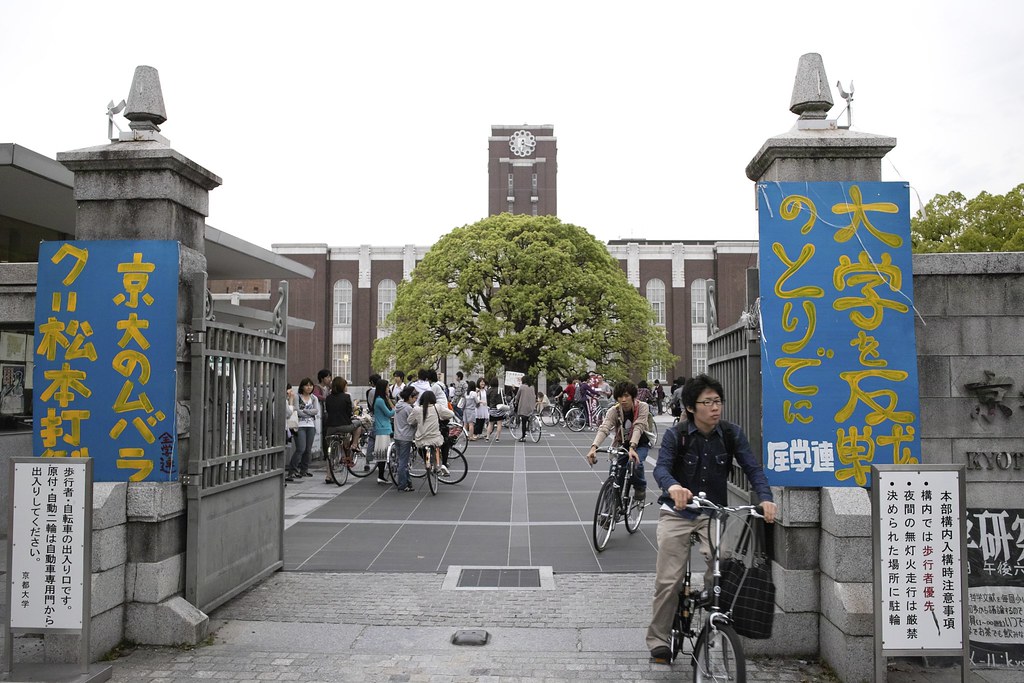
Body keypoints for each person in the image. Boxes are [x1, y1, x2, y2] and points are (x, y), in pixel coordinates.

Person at [646, 374, 778, 664]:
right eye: (707, 402)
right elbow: (661, 469)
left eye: (718, 401)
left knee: (721, 566)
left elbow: (753, 468)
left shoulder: (731, 434)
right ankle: (658, 639)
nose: (715, 408)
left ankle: (713, 622)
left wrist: (765, 498)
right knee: (669, 580)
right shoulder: (677, 435)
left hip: (712, 512)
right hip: (677, 513)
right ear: (691, 407)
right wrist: (674, 487)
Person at [586, 381, 650, 500]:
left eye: (626, 396)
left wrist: (632, 447)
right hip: (622, 444)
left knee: (634, 464)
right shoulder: (614, 411)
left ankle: (640, 487)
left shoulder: (642, 407)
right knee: (615, 473)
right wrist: (594, 447)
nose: (623, 400)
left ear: (632, 396)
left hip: (640, 443)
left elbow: (638, 427)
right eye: (620, 396)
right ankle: (611, 505)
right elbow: (604, 428)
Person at [322, 377, 362, 482]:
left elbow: (328, 410)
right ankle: (354, 444)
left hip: (330, 427)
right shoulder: (346, 397)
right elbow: (349, 413)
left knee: (330, 454)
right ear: (342, 386)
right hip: (344, 426)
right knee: (358, 424)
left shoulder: (328, 398)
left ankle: (328, 475)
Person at [407, 389, 455, 476]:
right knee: (439, 447)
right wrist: (441, 417)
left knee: (421, 450)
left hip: (421, 439)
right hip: (434, 438)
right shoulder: (437, 407)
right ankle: (440, 465)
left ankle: (428, 463)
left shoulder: (417, 409)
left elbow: (410, 421)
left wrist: (417, 421)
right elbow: (451, 414)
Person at [286, 378, 319, 482]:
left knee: (308, 450)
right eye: (306, 385)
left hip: (311, 426)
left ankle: (304, 470)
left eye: (311, 385)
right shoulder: (297, 397)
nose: (309, 387)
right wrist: (309, 412)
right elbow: (296, 411)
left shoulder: (314, 398)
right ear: (302, 386)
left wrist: (305, 411)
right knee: (300, 449)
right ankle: (292, 470)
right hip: (299, 425)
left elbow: (316, 411)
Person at [393, 384, 418, 491]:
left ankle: (408, 482)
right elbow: (413, 422)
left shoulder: (399, 405)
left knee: (401, 460)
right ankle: (402, 485)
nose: (415, 400)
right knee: (403, 462)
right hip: (406, 437)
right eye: (415, 398)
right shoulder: (408, 408)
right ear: (410, 397)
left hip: (397, 436)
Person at [370, 377, 395, 484]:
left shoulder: (380, 399)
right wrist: (395, 409)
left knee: (383, 454)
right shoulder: (380, 401)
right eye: (387, 387)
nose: (388, 389)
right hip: (383, 429)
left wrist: (388, 399)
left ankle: (381, 476)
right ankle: (380, 476)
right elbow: (389, 413)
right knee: (383, 454)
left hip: (383, 428)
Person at [513, 377, 537, 442]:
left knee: (523, 421)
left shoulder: (522, 387)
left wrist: (515, 402)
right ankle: (529, 427)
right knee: (529, 418)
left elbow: (517, 397)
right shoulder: (532, 387)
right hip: (531, 406)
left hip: (524, 407)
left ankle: (523, 437)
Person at [483, 376, 505, 442]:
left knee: (490, 423)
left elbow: (487, 400)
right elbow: (503, 398)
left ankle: (487, 437)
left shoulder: (488, 390)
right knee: (499, 424)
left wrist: (489, 406)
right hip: (499, 408)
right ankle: (497, 438)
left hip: (492, 409)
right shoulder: (500, 390)